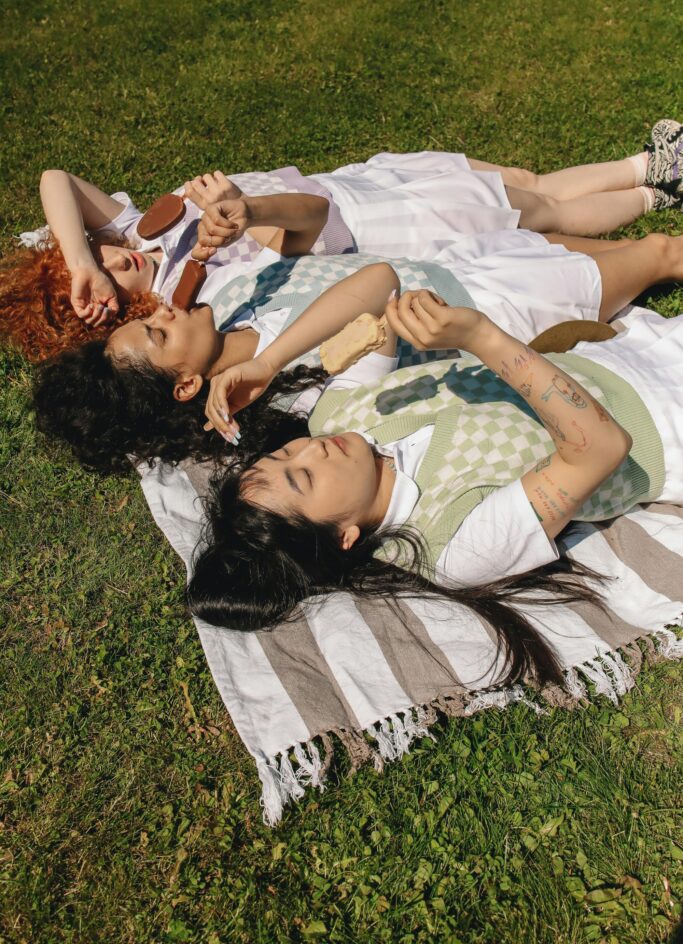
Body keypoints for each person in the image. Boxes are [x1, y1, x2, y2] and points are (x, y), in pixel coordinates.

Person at [187, 289, 682, 688]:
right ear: (343, 536)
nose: (310, 450)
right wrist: (481, 338)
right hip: (667, 424)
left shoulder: (337, 418)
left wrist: (269, 363)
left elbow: (378, 284)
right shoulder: (454, 542)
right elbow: (601, 446)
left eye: (285, 452)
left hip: (627, 348)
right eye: (304, 476)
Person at [4, 117, 683, 356]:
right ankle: (656, 177)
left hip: (368, 183)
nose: (113, 257)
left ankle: (650, 172)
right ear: (125, 312)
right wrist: (246, 206)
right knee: (543, 212)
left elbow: (56, 180)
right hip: (384, 222)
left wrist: (78, 261)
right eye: (109, 276)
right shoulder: (204, 279)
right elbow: (305, 225)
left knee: (524, 178)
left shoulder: (137, 235)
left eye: (97, 255)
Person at [32, 226, 683, 473]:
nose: (166, 309)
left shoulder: (232, 311)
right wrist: (264, 363)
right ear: (183, 383)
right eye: (158, 332)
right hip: (506, 306)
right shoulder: (301, 382)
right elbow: (377, 288)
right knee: (660, 254)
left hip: (471, 257)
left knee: (650, 243)